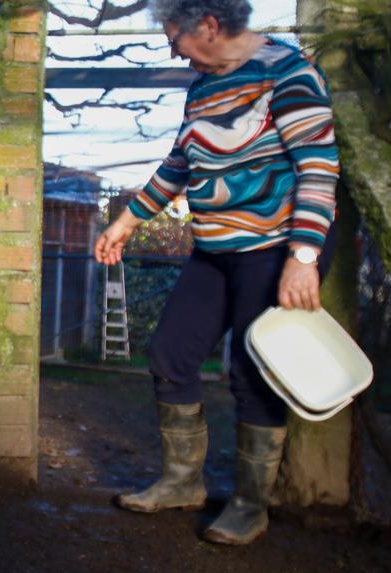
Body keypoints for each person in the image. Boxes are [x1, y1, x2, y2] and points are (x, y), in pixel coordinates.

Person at [94, 0, 340, 545]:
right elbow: (180, 164)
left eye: (174, 37)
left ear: (208, 25)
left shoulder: (288, 72)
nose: (172, 49)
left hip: (275, 248)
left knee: (254, 374)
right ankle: (183, 482)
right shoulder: (201, 88)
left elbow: (320, 169)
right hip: (214, 250)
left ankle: (251, 506)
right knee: (170, 354)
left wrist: (303, 258)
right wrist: (127, 223)